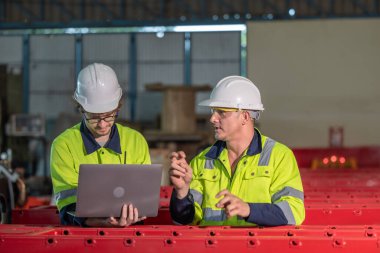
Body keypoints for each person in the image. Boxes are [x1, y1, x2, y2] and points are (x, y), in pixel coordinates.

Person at [169, 76, 305, 226]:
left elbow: (293, 212)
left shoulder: (279, 157)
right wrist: (181, 193)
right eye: (214, 111)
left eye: (221, 112)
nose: (212, 118)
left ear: (244, 117)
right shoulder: (202, 161)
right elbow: (185, 222)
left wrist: (249, 210)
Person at [50, 63, 151, 227]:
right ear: (81, 109)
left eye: (110, 115)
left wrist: (133, 214)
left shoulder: (136, 141)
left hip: (131, 234)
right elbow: (68, 205)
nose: (103, 124)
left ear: (118, 106)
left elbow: (143, 196)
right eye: (94, 117)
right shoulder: (64, 145)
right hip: (83, 238)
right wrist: (98, 221)